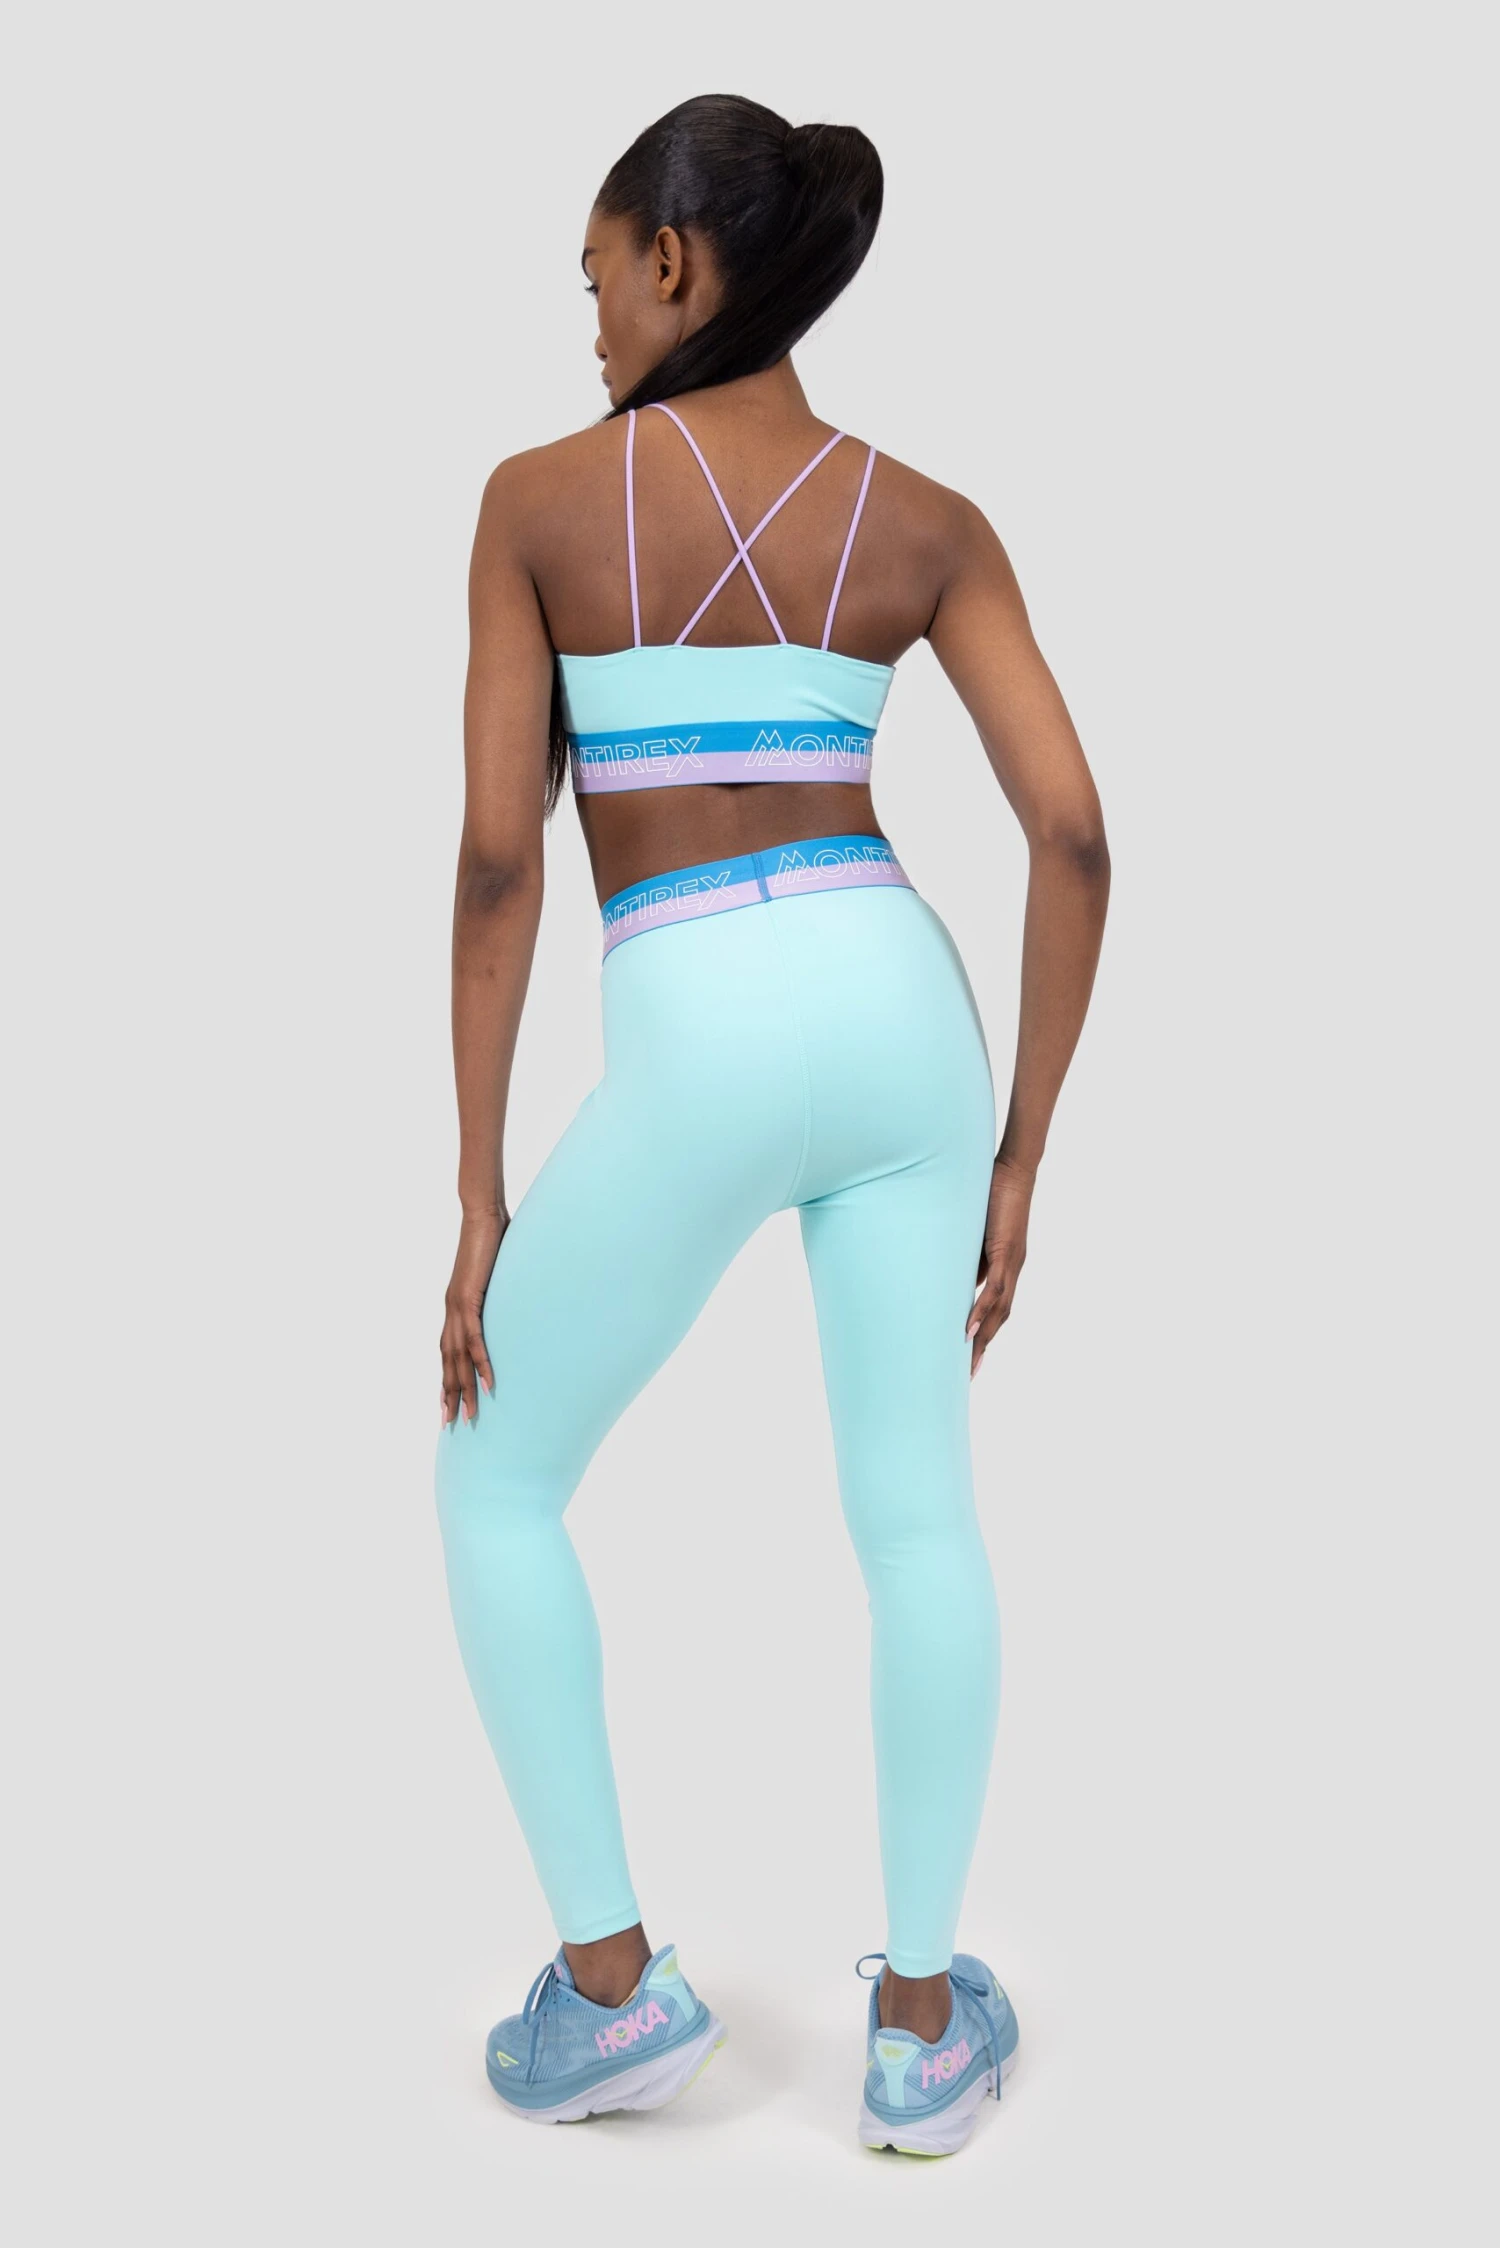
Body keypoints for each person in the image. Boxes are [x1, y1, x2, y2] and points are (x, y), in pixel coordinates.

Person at [434, 93, 1109, 2158]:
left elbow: (497, 862)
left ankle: (611, 1995)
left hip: (700, 1017)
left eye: (594, 277)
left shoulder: (541, 502)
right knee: (918, 1517)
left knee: (497, 1475)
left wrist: (477, 1192)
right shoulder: (928, 519)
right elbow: (1074, 833)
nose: (587, 322)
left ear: (676, 261)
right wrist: (1024, 1150)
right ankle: (919, 2031)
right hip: (904, 1010)